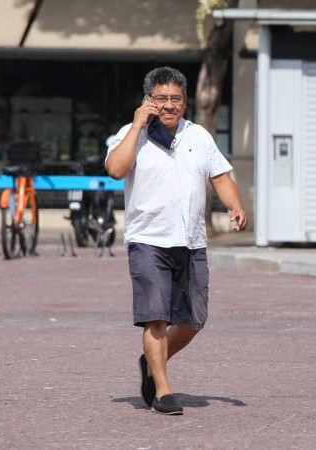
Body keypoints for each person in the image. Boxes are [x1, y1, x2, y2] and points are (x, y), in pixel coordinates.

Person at [106, 66, 248, 415]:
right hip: (148, 241)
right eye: (161, 98)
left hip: (191, 241)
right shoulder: (130, 134)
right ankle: (163, 390)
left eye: (176, 98)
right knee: (155, 317)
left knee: (192, 321)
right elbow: (116, 169)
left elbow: (220, 176)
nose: (169, 105)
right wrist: (137, 125)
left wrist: (236, 206)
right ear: (148, 100)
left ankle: (151, 361)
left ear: (185, 101)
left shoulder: (198, 135)